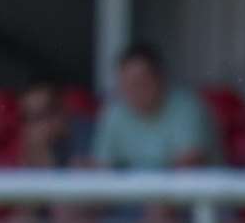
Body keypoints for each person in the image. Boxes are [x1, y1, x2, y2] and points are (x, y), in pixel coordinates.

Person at [89, 43, 223, 170]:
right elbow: (102, 167)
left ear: (160, 78)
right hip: (136, 194)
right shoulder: (115, 112)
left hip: (195, 193)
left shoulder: (188, 108)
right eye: (127, 83)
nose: (134, 90)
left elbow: (190, 167)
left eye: (140, 82)